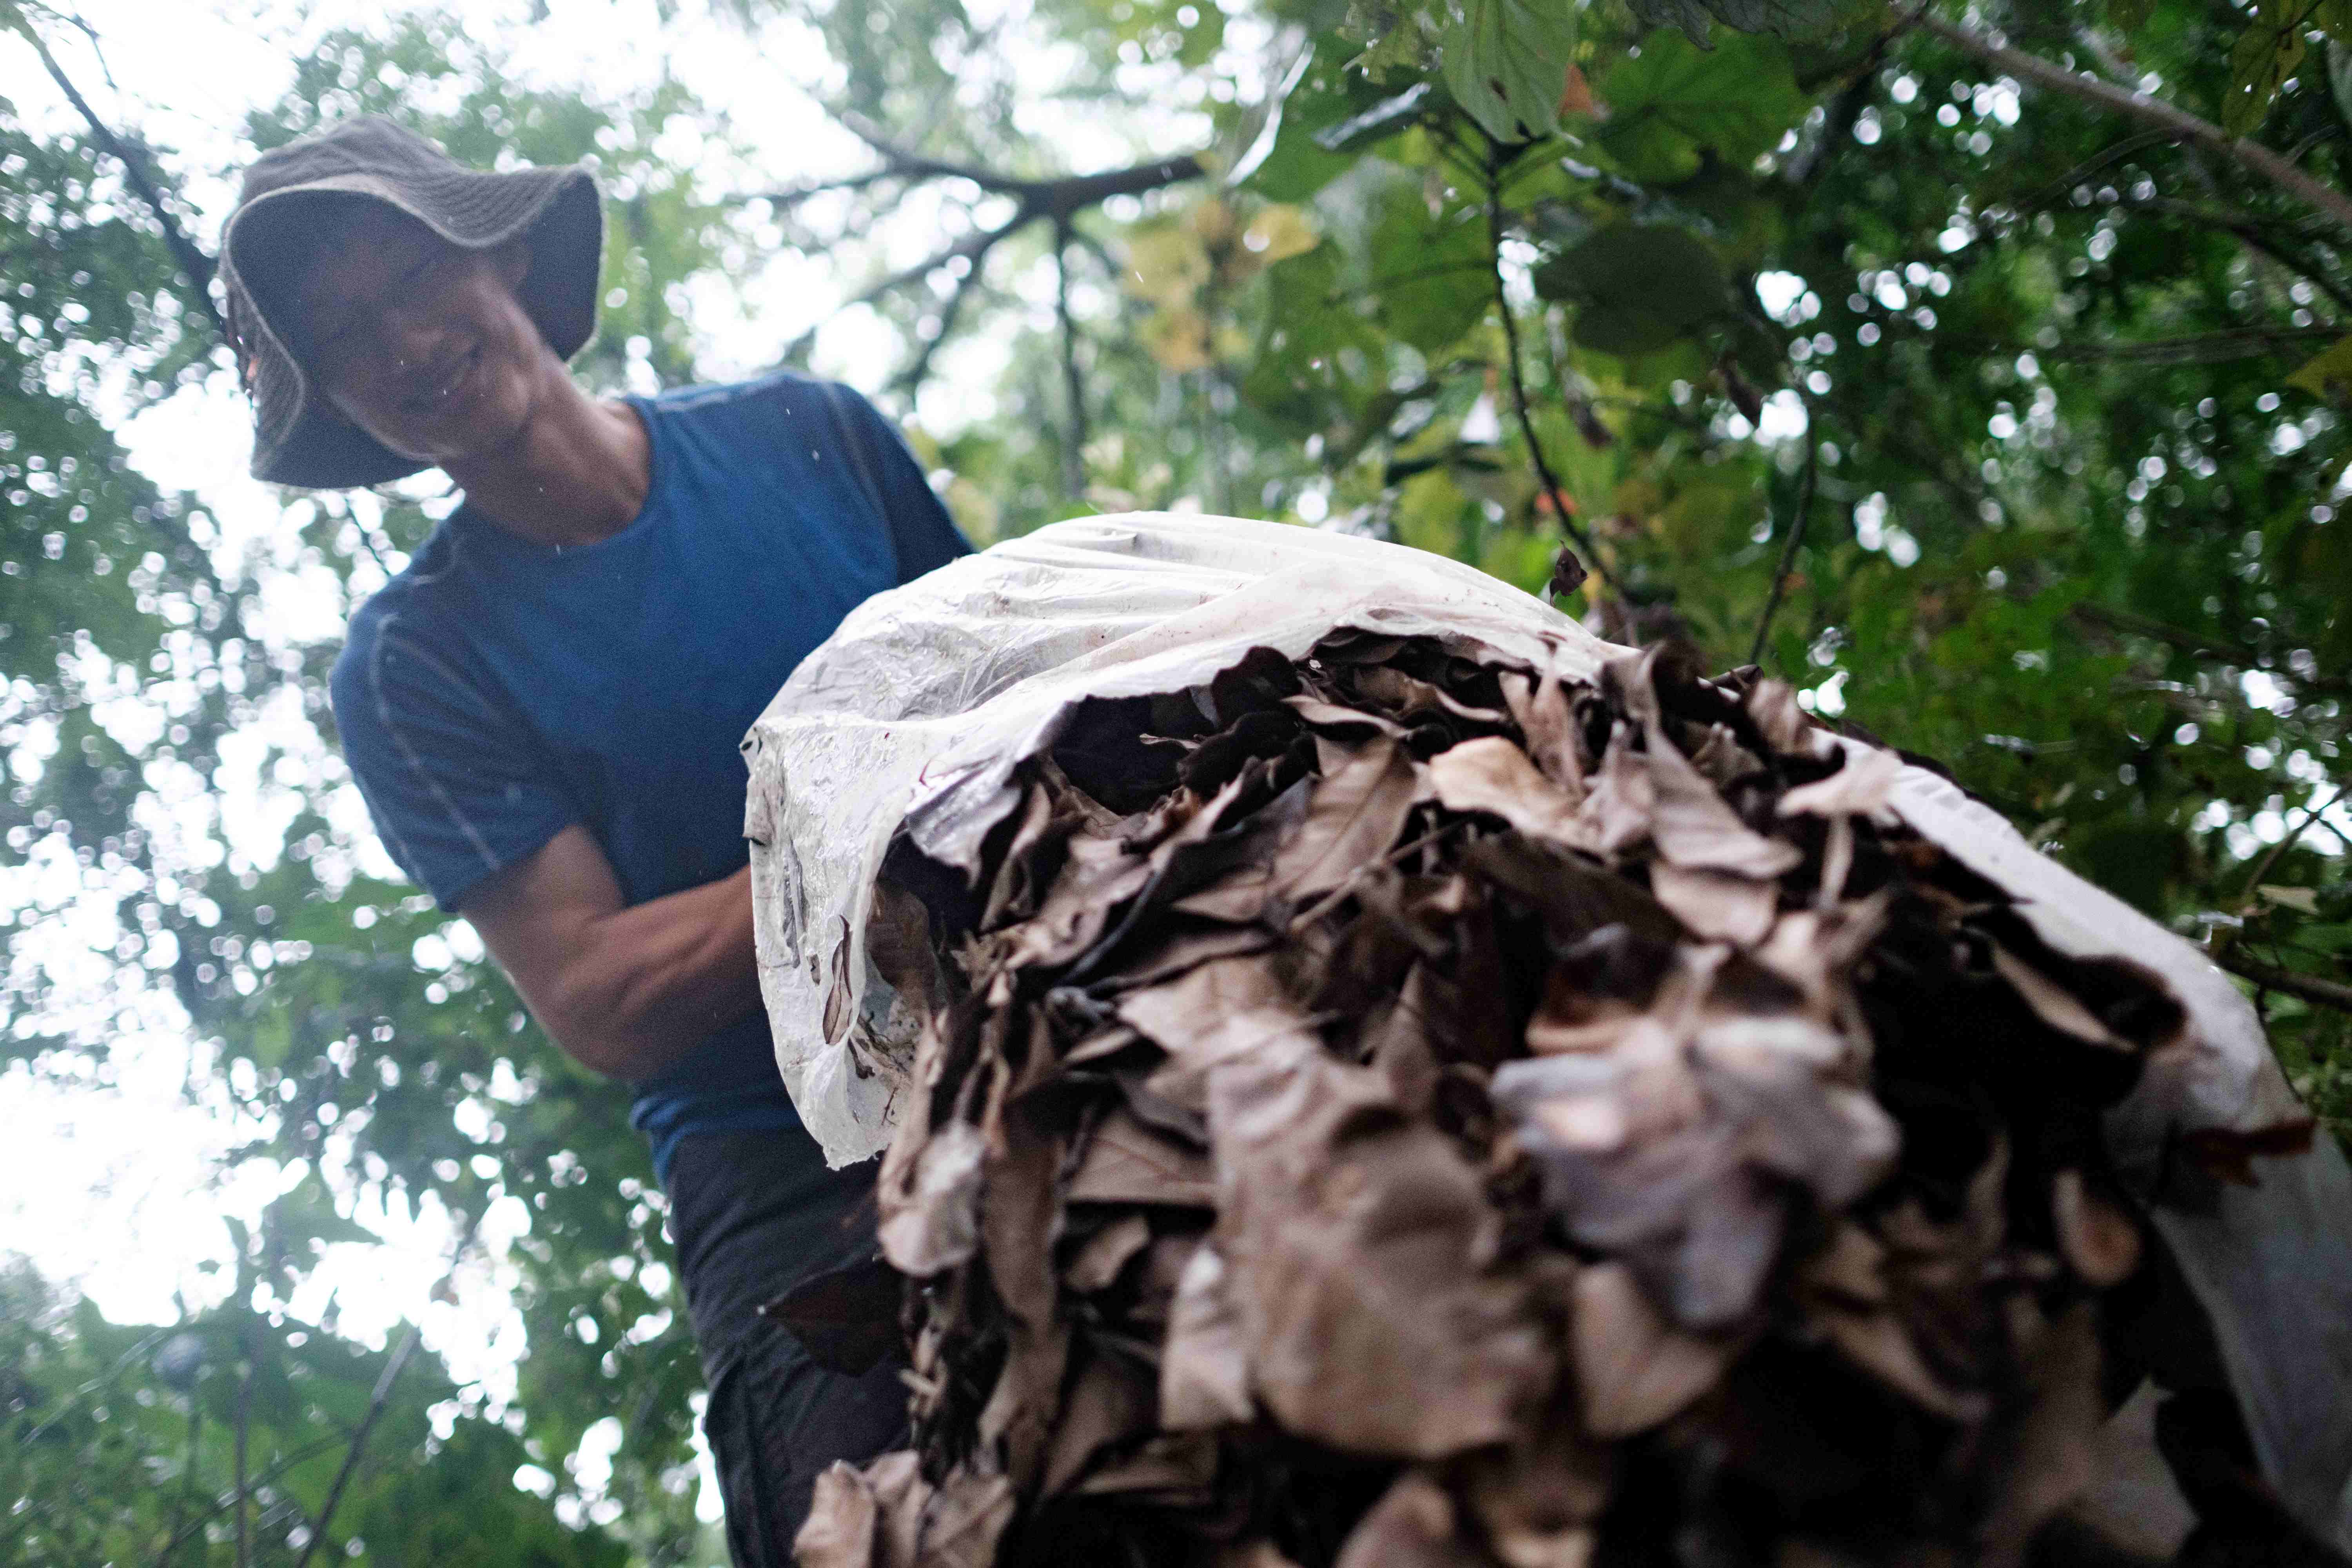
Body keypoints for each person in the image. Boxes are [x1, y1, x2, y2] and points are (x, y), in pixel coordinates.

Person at [217, 116, 969, 1564]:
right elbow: (602, 994)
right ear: (344, 411)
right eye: (344, 336)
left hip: (1029, 1011)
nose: (403, 344)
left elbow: (1024, 696)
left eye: (410, 278)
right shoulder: (417, 666)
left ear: (497, 251)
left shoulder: (808, 437)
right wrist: (897, 836)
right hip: (790, 1173)